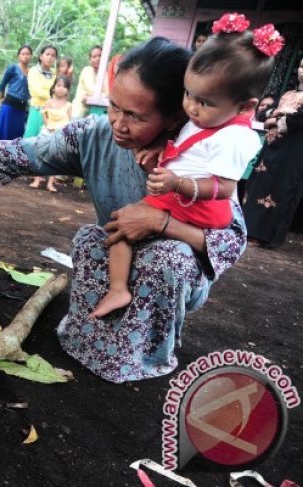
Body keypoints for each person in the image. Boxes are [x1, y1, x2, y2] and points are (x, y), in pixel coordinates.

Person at [0, 37, 247, 384]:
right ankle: (90, 338)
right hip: (118, 257)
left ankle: (147, 354)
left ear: (172, 117)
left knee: (168, 258)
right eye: (114, 107)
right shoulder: (95, 135)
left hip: (174, 271)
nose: (118, 124)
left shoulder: (203, 154)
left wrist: (161, 221)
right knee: (91, 238)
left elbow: (232, 240)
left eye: (136, 116)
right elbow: (21, 152)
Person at [90, 14, 278, 318]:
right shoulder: (203, 117)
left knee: (154, 249)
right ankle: (118, 289)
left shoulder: (233, 137)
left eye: (203, 101)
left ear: (245, 107)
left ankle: (130, 302)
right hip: (173, 199)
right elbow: (184, 146)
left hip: (195, 208)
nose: (190, 107)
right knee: (120, 226)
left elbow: (225, 188)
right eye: (187, 94)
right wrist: (158, 148)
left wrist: (178, 184)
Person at [243, 57, 303, 248]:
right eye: (302, 65)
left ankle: (265, 235)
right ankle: (247, 228)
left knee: (281, 188)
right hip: (272, 145)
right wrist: (275, 115)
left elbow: (297, 121)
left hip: (292, 152)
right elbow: (268, 110)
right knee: (259, 183)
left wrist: (277, 119)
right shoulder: (288, 93)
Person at [25, 45, 57, 191]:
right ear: (41, 56)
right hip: (37, 109)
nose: (50, 57)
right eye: (47, 54)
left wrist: (50, 93)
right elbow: (35, 91)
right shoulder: (33, 71)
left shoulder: (55, 73)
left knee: (47, 143)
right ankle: (27, 169)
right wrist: (50, 93)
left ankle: (39, 173)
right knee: (31, 139)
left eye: (53, 55)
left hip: (52, 112)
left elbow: (57, 92)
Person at [35, 76, 72, 192]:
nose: (61, 89)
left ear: (68, 91)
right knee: (40, 154)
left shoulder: (68, 105)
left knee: (55, 158)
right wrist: (48, 126)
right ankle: (37, 179)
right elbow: (44, 115)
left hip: (60, 134)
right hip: (47, 131)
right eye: (59, 85)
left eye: (65, 87)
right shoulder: (48, 102)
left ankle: (51, 183)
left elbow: (69, 122)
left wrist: (62, 132)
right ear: (54, 87)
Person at [0, 45, 31, 141]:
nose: (25, 56)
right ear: (19, 56)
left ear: (31, 56)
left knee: (17, 133)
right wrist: (1, 99)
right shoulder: (13, 68)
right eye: (23, 54)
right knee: (4, 131)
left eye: (28, 54)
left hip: (22, 107)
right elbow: (2, 84)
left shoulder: (32, 72)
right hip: (10, 104)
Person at [71, 45, 107, 119]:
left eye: (100, 56)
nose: (98, 59)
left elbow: (108, 93)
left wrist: (91, 97)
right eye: (94, 57)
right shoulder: (87, 70)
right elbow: (92, 90)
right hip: (80, 111)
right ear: (90, 60)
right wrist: (103, 95)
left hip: (97, 111)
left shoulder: (106, 74)